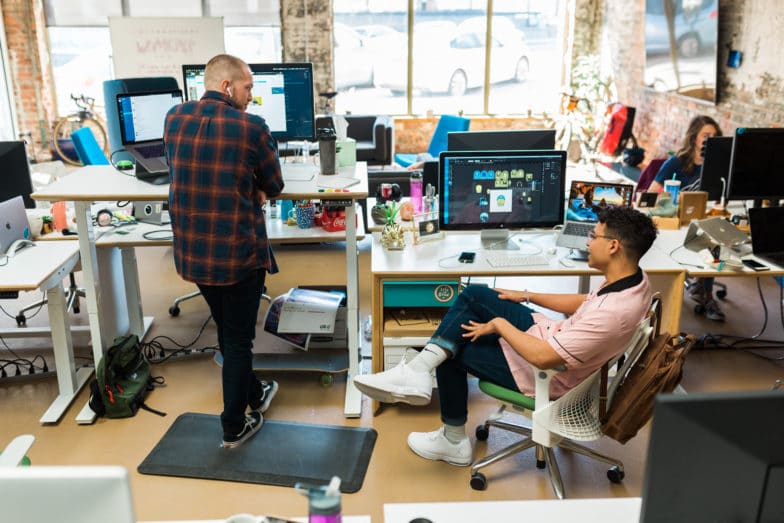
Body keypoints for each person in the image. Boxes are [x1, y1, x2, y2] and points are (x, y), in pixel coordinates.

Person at [354, 206, 657, 466]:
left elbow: (543, 357)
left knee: (454, 346)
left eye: (594, 236)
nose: (588, 242)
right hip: (551, 336)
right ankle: (418, 372)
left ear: (614, 246)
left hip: (547, 373)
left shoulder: (612, 315)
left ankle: (453, 440)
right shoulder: (633, 281)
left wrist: (499, 325)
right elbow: (587, 302)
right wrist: (526, 295)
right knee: (475, 295)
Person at [164, 54, 284, 448]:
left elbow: (186, 167)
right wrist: (256, 186)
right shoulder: (251, 127)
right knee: (237, 341)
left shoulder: (174, 118)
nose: (252, 95)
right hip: (237, 253)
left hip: (194, 254)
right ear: (228, 87)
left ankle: (253, 392)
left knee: (228, 332)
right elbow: (275, 183)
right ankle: (234, 425)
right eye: (248, 87)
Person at [648, 115, 724, 321]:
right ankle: (694, 288)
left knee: (713, 236)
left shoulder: (718, 166)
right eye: (705, 135)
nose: (709, 140)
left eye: (714, 136)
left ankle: (705, 293)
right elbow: (651, 193)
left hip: (703, 220)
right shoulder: (676, 163)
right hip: (676, 221)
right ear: (694, 138)